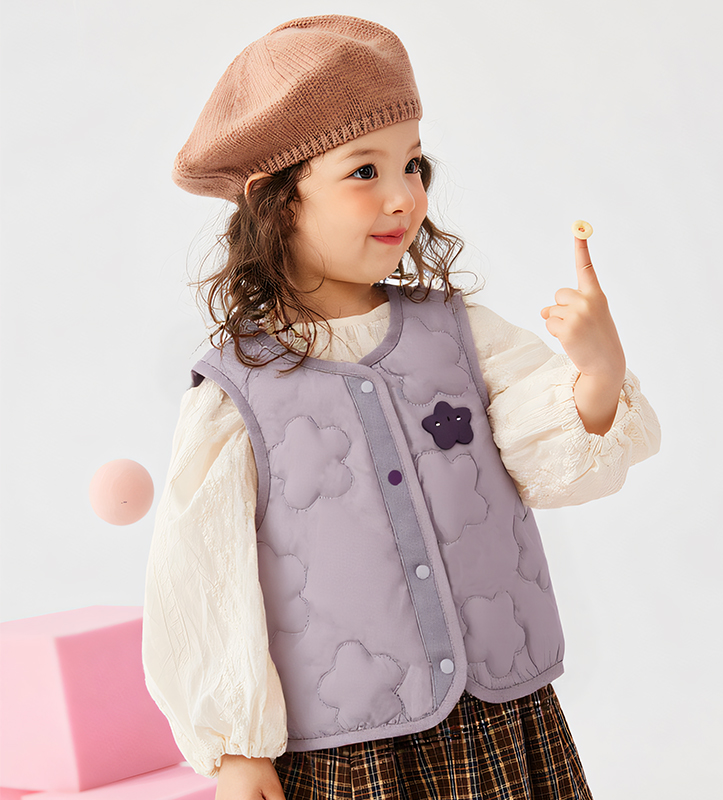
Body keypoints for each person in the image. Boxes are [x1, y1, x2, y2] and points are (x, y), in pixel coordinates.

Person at [142, 15, 660, 800]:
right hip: (350, 752)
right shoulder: (234, 394)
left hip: (501, 719)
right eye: (364, 171)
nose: (403, 196)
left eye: (413, 163)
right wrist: (235, 749)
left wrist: (599, 369)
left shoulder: (464, 335)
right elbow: (202, 576)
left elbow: (552, 460)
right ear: (274, 201)